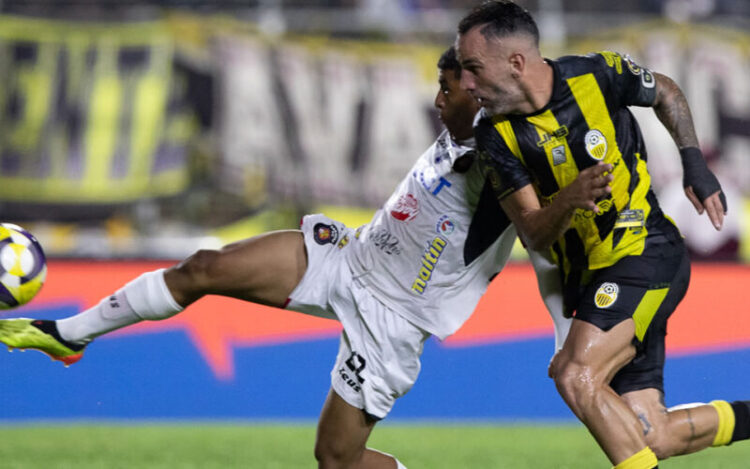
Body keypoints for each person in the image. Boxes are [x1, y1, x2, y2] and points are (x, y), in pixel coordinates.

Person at [0, 46, 570, 469]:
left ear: (477, 92)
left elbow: (541, 242)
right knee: (202, 268)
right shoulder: (462, 128)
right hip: (350, 256)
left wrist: (563, 332)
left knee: (336, 460)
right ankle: (70, 334)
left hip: (395, 315)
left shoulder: (506, 153)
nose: (437, 99)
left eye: (446, 89)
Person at [455, 2, 747, 469]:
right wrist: (569, 200)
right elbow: (533, 232)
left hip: (646, 252)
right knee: (650, 433)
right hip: (592, 281)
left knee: (576, 375)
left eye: (473, 68)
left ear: (515, 63)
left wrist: (694, 163)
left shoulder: (597, 74)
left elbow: (665, 91)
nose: (466, 84)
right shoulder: (495, 137)